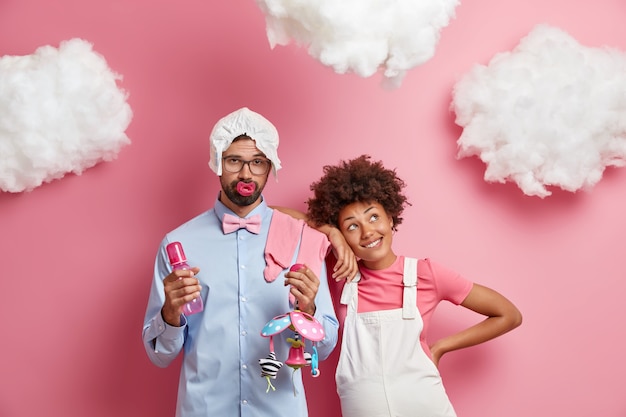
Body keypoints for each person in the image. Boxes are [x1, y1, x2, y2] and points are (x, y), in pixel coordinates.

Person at [142, 107, 350, 417]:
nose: (245, 174)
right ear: (217, 163)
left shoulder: (301, 239)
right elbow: (160, 355)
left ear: (270, 168)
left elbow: (323, 348)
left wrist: (308, 311)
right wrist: (170, 312)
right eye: (234, 160)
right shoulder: (177, 244)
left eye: (257, 162)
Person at [305, 154, 523, 417]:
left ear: (390, 217)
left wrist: (442, 346)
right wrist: (332, 235)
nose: (367, 232)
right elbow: (277, 216)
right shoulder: (340, 272)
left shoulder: (426, 274)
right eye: (352, 226)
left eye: (373, 217)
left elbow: (509, 315)